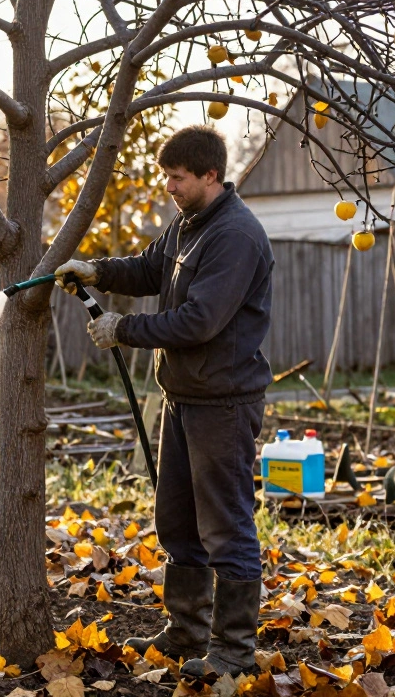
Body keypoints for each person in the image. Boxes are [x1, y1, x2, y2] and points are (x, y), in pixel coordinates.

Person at [55, 125, 273, 678]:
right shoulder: (188, 223)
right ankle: (186, 631)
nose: (169, 187)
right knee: (177, 521)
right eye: (166, 177)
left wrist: (123, 328)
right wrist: (98, 270)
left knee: (225, 525)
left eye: (177, 178)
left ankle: (233, 651)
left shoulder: (235, 236)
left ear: (210, 175)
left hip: (223, 403)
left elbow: (200, 320)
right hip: (184, 395)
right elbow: (150, 268)